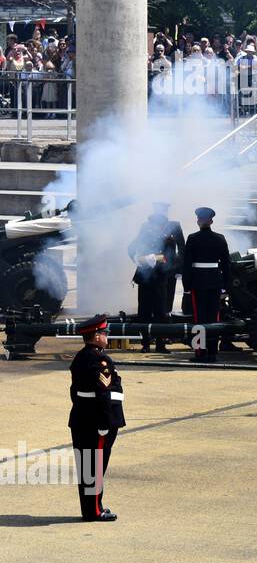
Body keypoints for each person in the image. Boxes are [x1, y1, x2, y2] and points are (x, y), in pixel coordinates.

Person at [68, 315, 125, 521]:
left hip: (82, 418)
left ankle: (93, 507)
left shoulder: (81, 357)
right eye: (103, 332)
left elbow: (74, 391)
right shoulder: (100, 359)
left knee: (88, 466)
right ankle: (93, 511)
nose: (106, 335)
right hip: (96, 421)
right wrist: (104, 423)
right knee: (95, 466)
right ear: (96, 336)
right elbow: (103, 393)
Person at [127, 203, 184, 352]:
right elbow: (132, 247)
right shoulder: (145, 227)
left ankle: (160, 343)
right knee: (145, 310)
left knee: (163, 310)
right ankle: (145, 343)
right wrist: (141, 258)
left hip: (165, 275)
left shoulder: (174, 226)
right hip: (147, 273)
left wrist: (177, 267)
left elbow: (182, 249)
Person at [182, 206, 232, 362]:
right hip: (215, 282)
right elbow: (226, 264)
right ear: (211, 221)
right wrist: (226, 285)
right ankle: (212, 351)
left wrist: (187, 286)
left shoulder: (192, 238)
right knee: (213, 317)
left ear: (199, 221)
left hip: (198, 282)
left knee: (200, 318)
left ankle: (201, 352)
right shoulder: (220, 238)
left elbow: (187, 265)